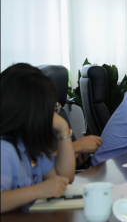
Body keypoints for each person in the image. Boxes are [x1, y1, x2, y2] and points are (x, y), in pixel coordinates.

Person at [1, 71, 76, 213]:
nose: (54, 112)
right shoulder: (4, 150)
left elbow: (64, 178)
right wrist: (38, 190)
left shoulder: (29, 142)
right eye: (50, 107)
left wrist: (64, 129)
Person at [0, 63, 103, 163]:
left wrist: (70, 159)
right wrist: (73, 147)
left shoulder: (27, 141)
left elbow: (42, 168)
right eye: (47, 106)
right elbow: (34, 168)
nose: (54, 111)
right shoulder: (5, 151)